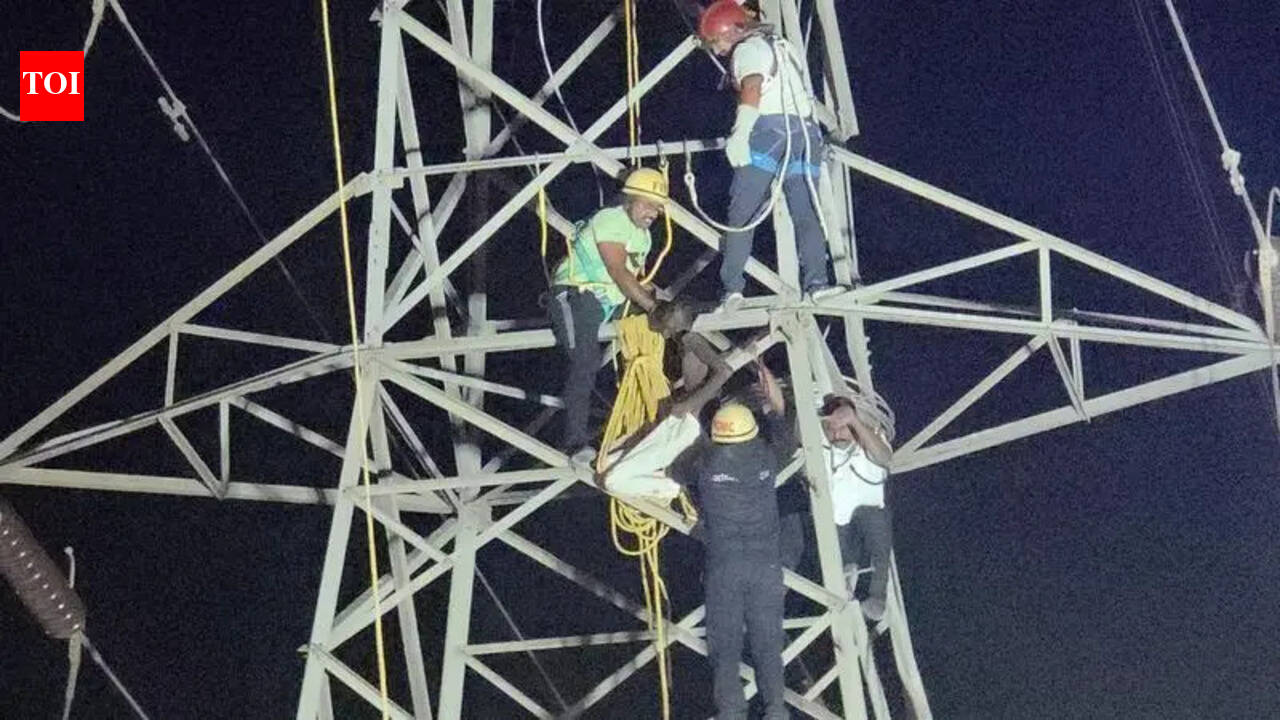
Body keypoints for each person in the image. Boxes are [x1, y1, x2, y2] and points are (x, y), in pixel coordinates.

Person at [698, 0, 847, 309]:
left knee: (742, 213)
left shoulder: (747, 50)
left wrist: (741, 133)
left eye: (716, 41)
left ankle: (732, 288)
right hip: (805, 134)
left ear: (729, 30)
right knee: (805, 211)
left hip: (769, 133)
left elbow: (752, 87)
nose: (717, 50)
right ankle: (817, 283)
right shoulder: (782, 47)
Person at [673, 382, 793, 720]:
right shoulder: (767, 456)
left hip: (724, 566)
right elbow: (787, 440)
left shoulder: (706, 462)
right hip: (766, 567)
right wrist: (774, 408)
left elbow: (676, 471)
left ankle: (731, 712)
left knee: (725, 646)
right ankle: (776, 710)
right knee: (767, 643)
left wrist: (693, 426)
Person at [547, 167, 668, 465]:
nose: (653, 213)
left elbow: (633, 278)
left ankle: (665, 415)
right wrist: (652, 306)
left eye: (657, 208)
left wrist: (662, 306)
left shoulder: (643, 236)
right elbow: (617, 270)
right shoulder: (611, 219)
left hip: (610, 302)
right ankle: (575, 442)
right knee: (585, 361)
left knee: (665, 332)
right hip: (578, 294)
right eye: (648, 204)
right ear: (629, 199)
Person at [817, 393, 894, 622]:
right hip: (836, 528)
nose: (837, 433)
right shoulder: (821, 447)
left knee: (875, 521)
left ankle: (876, 597)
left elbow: (885, 457)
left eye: (843, 427)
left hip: (869, 524)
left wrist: (854, 421)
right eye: (833, 428)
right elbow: (798, 433)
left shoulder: (869, 442)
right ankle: (845, 586)